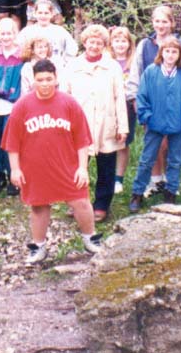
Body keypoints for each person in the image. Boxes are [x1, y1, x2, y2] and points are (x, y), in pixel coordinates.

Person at [2, 59, 103, 264]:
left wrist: (83, 168)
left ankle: (89, 238)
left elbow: (82, 139)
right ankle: (38, 247)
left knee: (81, 201)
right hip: (35, 167)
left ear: (56, 79)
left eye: (49, 79)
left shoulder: (69, 103)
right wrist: (15, 169)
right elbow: (12, 141)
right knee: (39, 206)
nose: (45, 84)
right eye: (40, 80)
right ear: (34, 81)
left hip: (66, 165)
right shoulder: (22, 105)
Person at [128, 5, 181, 195]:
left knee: (171, 144)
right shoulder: (145, 44)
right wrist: (136, 101)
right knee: (154, 144)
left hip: (176, 106)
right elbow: (136, 73)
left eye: (165, 21)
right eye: (157, 21)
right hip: (152, 105)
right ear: (152, 22)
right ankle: (155, 180)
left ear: (172, 23)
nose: (161, 25)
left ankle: (170, 182)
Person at [62, 25, 128, 222]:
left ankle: (101, 205)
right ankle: (77, 202)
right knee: (76, 165)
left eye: (99, 43)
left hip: (106, 124)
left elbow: (119, 98)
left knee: (106, 167)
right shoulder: (73, 66)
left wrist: (122, 126)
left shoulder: (112, 67)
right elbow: (65, 97)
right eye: (91, 42)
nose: (95, 46)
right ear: (84, 43)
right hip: (79, 125)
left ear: (104, 45)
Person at [0, 17, 24, 196]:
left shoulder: (22, 56)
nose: (6, 36)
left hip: (12, 106)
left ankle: (13, 176)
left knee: (10, 141)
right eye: (3, 33)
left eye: (9, 33)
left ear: (15, 34)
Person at [108, 26, 135, 194]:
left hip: (127, 106)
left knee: (123, 143)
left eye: (123, 41)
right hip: (109, 105)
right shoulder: (107, 61)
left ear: (129, 44)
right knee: (109, 140)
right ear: (111, 43)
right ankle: (108, 176)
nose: (120, 44)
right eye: (116, 41)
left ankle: (119, 178)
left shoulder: (133, 62)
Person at [17, 0, 79, 65]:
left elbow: (73, 48)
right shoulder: (27, 31)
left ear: (52, 14)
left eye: (46, 13)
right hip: (34, 68)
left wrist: (65, 63)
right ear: (34, 13)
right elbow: (17, 48)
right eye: (40, 13)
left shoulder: (59, 31)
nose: (43, 16)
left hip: (56, 68)